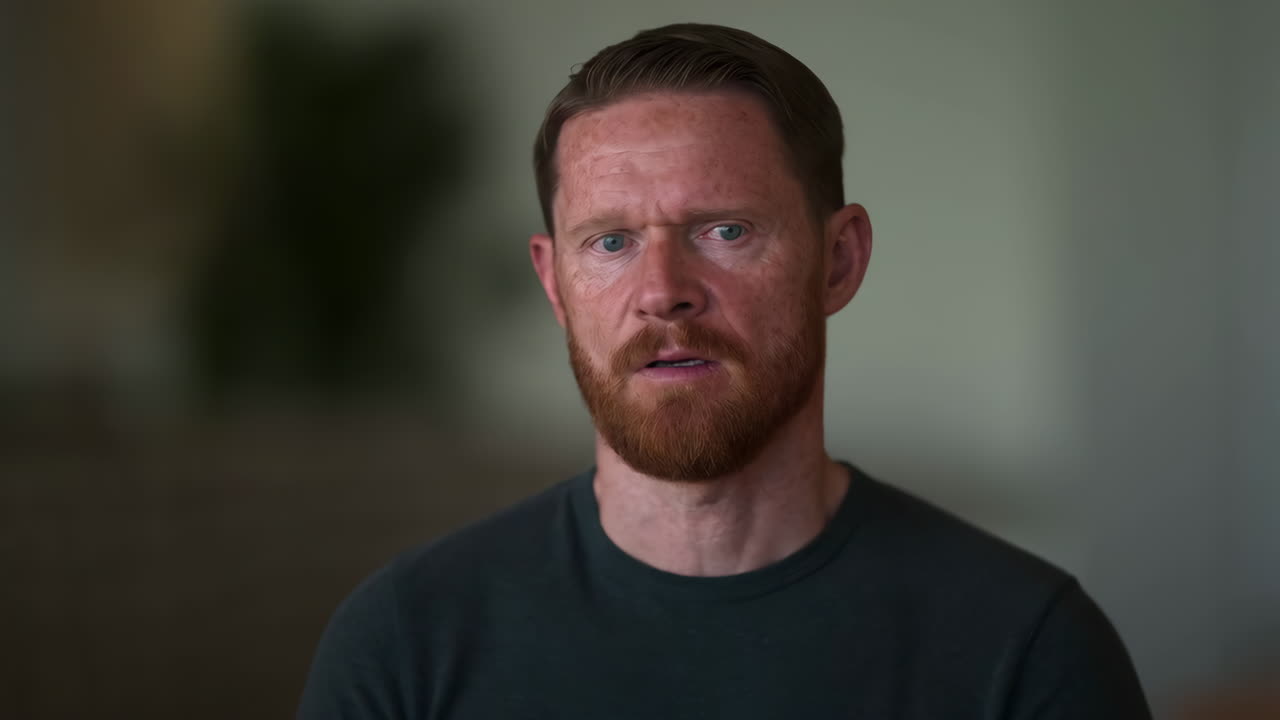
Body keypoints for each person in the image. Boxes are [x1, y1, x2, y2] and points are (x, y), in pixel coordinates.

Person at [298, 23, 1151, 719]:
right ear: (556, 283)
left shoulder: (1026, 649)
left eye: (725, 231)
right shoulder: (406, 643)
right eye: (610, 242)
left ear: (839, 260)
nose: (663, 293)